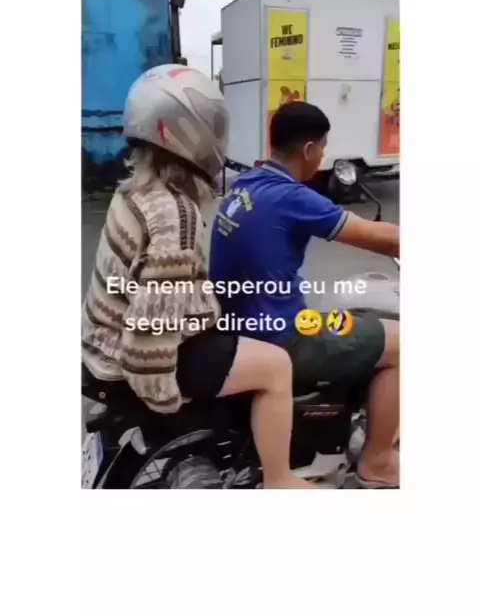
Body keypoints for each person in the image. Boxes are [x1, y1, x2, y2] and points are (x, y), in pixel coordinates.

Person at [82, 64, 316, 489]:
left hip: (101, 347)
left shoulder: (134, 191)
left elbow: (151, 291)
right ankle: (281, 480)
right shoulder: (175, 214)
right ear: (190, 133)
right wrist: (166, 404)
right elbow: (150, 332)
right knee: (277, 365)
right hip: (134, 362)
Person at [209, 100, 400, 488]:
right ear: (310, 149)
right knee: (403, 343)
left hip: (237, 325)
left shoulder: (246, 184)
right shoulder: (292, 197)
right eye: (323, 149)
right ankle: (378, 462)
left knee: (354, 318)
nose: (322, 158)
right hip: (282, 335)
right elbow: (383, 238)